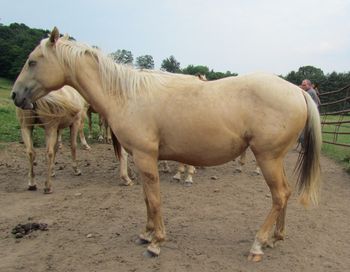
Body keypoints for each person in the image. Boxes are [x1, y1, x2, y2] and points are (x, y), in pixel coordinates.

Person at [298, 79, 321, 148]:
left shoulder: (310, 92)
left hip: (311, 116)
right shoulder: (309, 91)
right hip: (310, 115)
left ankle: (307, 148)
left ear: (309, 85)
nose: (302, 86)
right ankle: (307, 147)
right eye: (302, 85)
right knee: (305, 134)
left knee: (303, 135)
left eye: (304, 85)